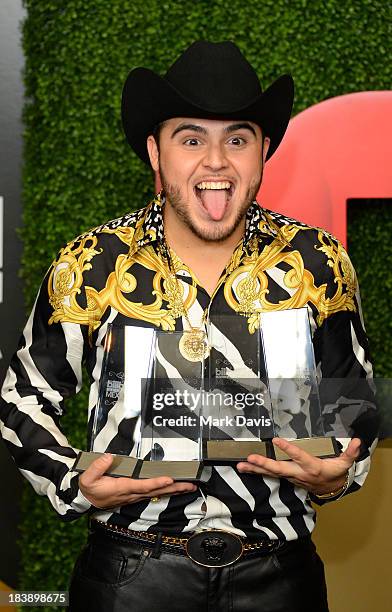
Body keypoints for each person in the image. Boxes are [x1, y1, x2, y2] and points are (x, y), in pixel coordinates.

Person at [0, 41, 378, 612]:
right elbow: (21, 397)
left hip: (279, 577)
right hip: (129, 575)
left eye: (237, 139)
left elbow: (355, 403)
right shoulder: (93, 263)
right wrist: (73, 479)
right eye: (192, 138)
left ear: (264, 151)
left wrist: (336, 475)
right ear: (155, 152)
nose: (217, 162)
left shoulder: (316, 263)